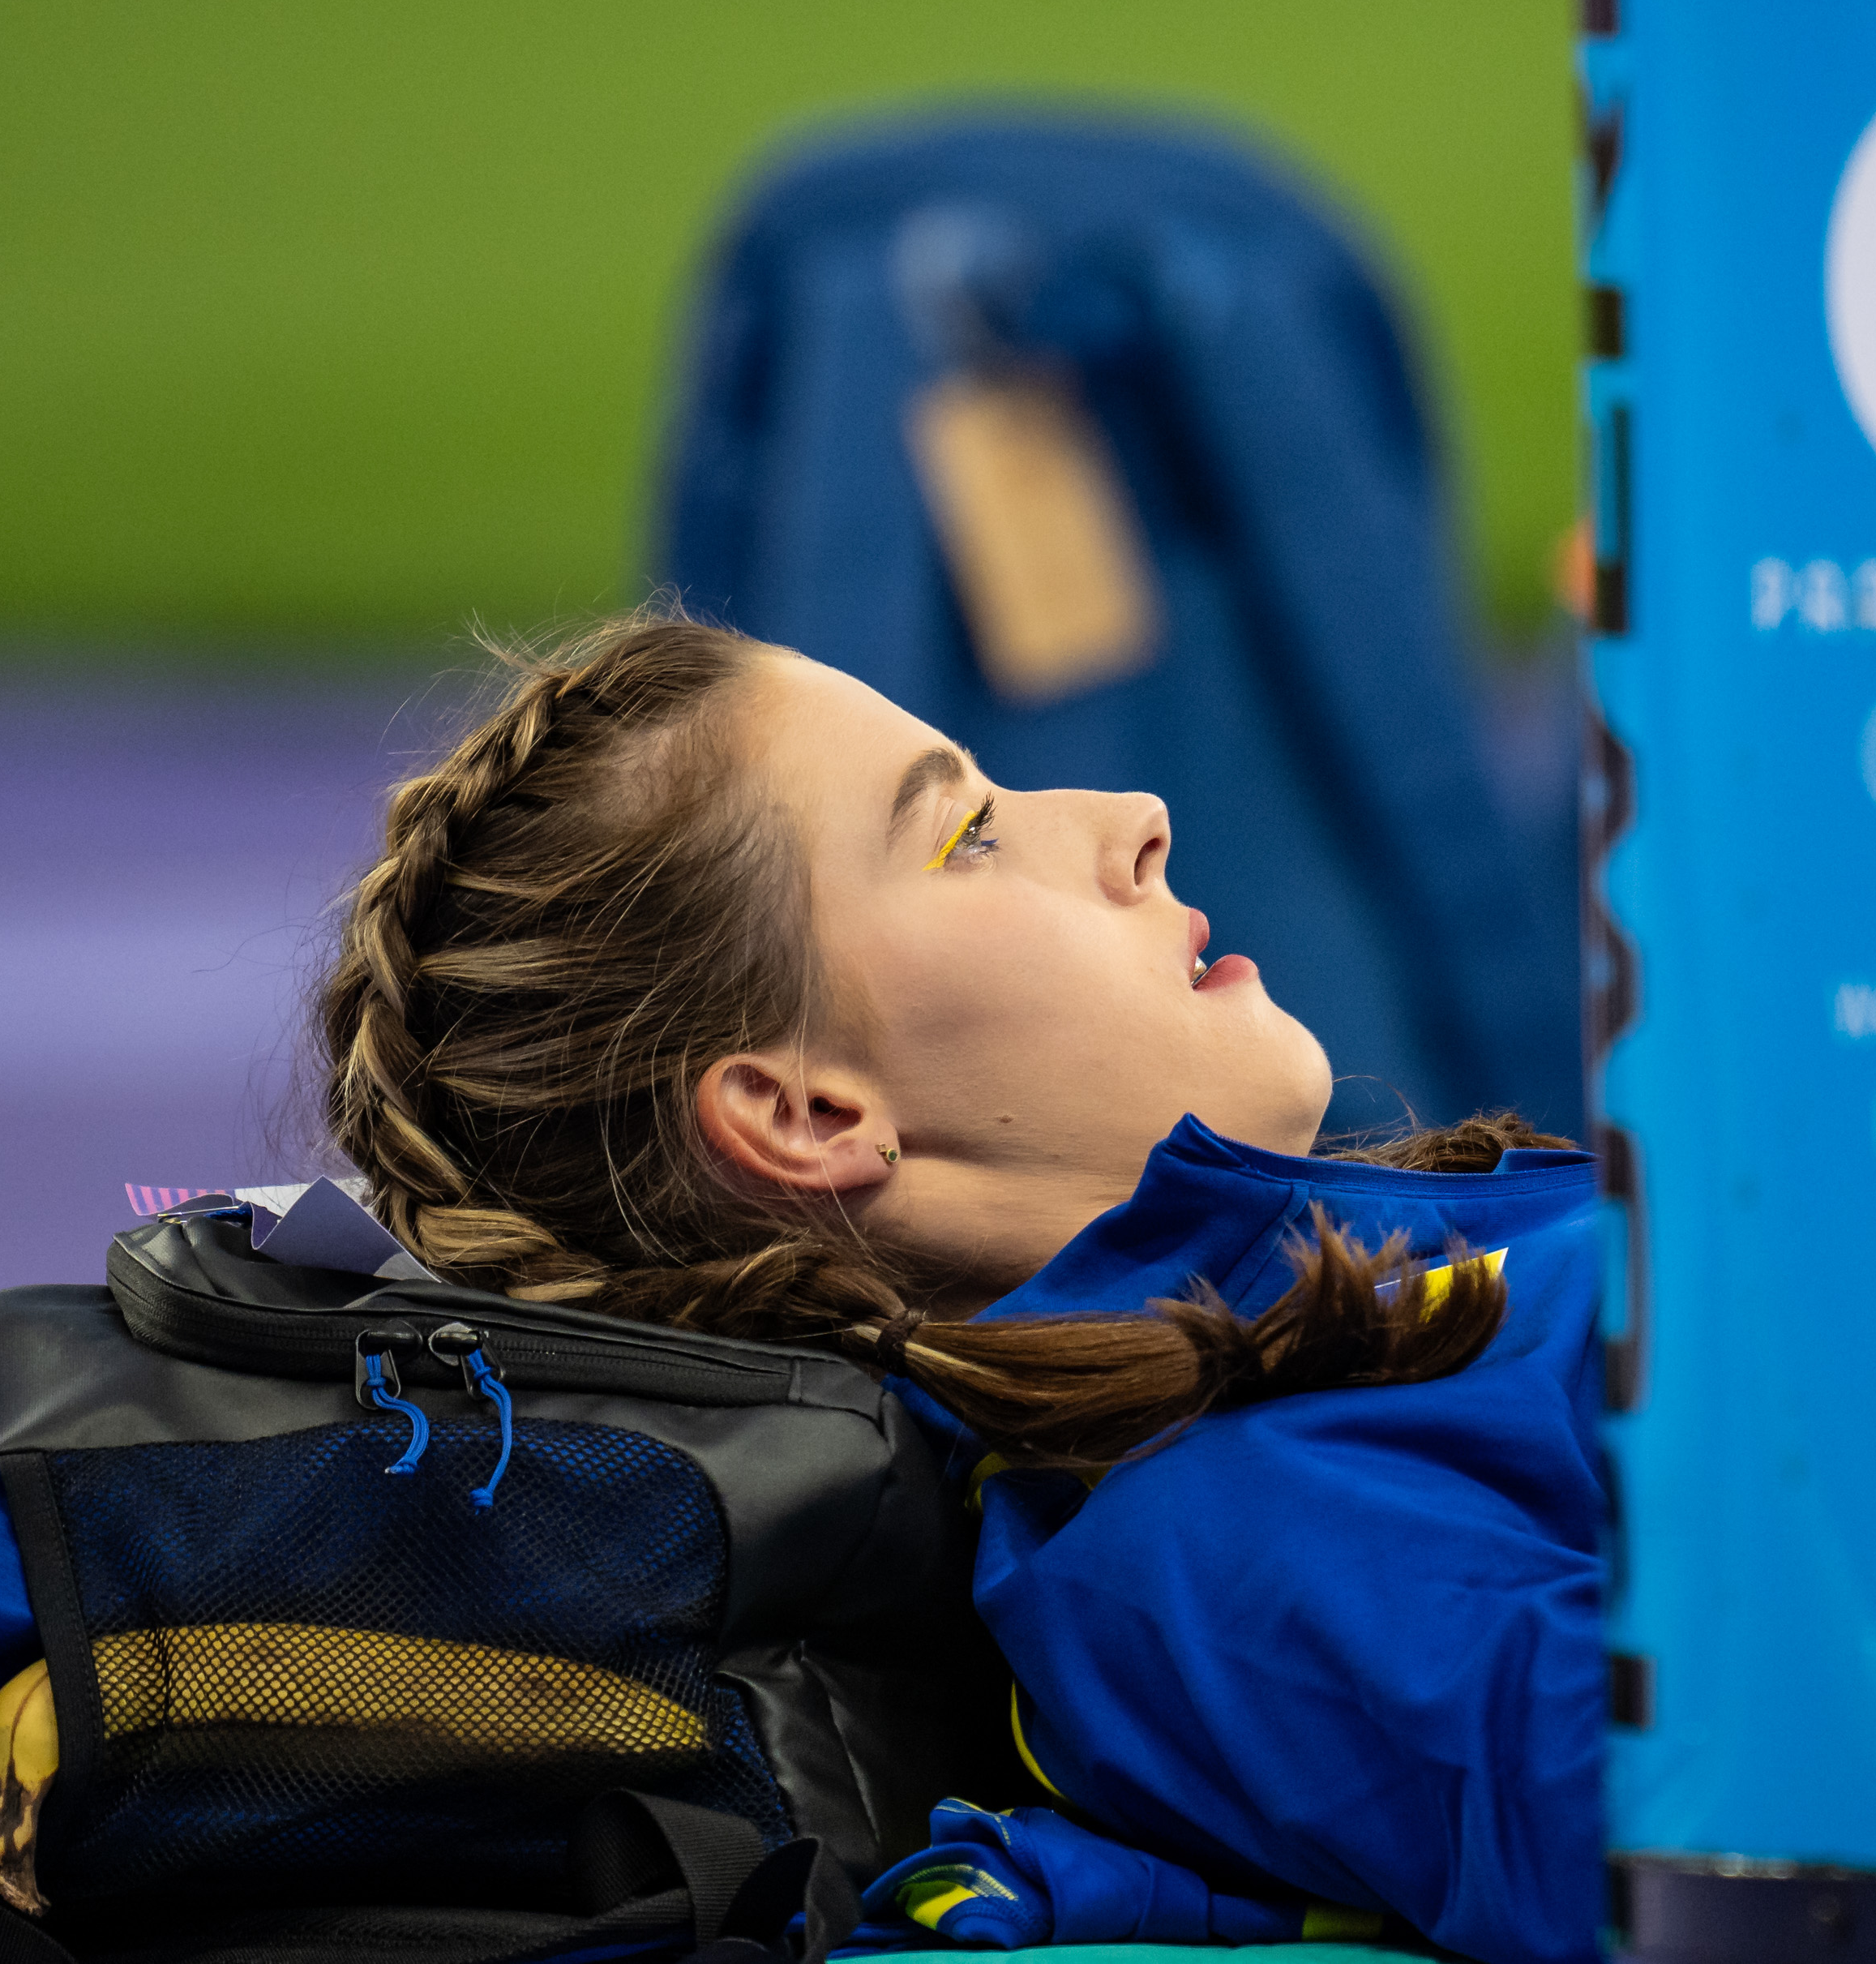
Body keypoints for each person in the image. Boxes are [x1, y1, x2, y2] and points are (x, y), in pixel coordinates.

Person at [314, 611, 1607, 1964]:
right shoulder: (1204, 1546)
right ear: (807, 1114)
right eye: (968, 832)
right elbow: (1755, 1853)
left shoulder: (1330, 1338)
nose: (1136, 815)